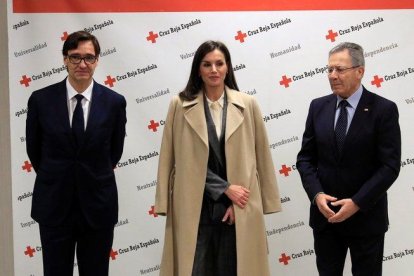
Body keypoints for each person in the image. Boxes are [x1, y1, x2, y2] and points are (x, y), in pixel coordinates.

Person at [154, 40, 281, 276]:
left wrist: (249, 200)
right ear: (198, 69)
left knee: (235, 269)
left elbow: (261, 157)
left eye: (219, 63)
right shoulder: (179, 105)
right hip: (193, 204)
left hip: (238, 205)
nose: (214, 70)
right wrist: (224, 188)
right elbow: (171, 159)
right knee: (194, 269)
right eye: (207, 64)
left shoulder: (248, 104)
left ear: (228, 67)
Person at [26, 31, 127, 276]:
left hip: (98, 207)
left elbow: (114, 153)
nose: (82, 64)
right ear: (64, 59)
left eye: (89, 58)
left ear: (97, 60)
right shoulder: (41, 100)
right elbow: (35, 151)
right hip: (54, 206)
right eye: (75, 57)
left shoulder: (115, 102)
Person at [296, 42, 401, 275]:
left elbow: (389, 166)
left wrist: (357, 202)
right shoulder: (317, 107)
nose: (333, 75)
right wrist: (317, 195)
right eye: (330, 69)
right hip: (326, 219)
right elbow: (305, 159)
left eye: (340, 69)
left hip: (366, 218)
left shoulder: (383, 110)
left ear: (360, 71)